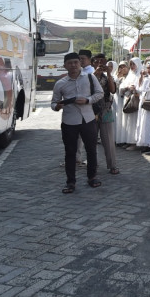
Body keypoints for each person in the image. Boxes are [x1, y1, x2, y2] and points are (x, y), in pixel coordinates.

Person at [51, 52, 104, 193]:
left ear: (80, 63)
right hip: (69, 121)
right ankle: (70, 182)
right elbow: (54, 102)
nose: (73, 65)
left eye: (76, 62)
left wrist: (88, 100)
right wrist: (57, 106)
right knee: (70, 152)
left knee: (91, 150)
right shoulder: (60, 83)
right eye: (70, 63)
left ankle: (92, 177)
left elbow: (100, 93)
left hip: (88, 119)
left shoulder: (90, 78)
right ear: (65, 66)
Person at [92, 54, 119, 175]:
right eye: (97, 62)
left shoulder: (108, 77)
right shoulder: (88, 77)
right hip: (91, 111)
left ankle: (112, 165)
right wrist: (96, 74)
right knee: (91, 140)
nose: (100, 64)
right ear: (92, 63)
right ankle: (93, 165)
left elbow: (113, 90)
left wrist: (108, 74)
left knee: (108, 140)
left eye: (102, 62)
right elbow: (87, 88)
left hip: (106, 109)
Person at [119, 58, 142, 150]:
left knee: (134, 122)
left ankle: (134, 143)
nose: (132, 66)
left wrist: (135, 89)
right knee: (128, 122)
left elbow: (143, 88)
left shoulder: (140, 74)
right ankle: (128, 141)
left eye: (134, 64)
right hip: (127, 99)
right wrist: (127, 87)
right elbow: (121, 87)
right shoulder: (130, 75)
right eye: (131, 64)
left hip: (135, 101)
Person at [136, 61, 150, 154]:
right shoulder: (147, 78)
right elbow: (140, 89)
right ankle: (145, 143)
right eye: (147, 68)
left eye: (149, 68)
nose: (147, 70)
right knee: (144, 125)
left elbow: (144, 89)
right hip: (145, 104)